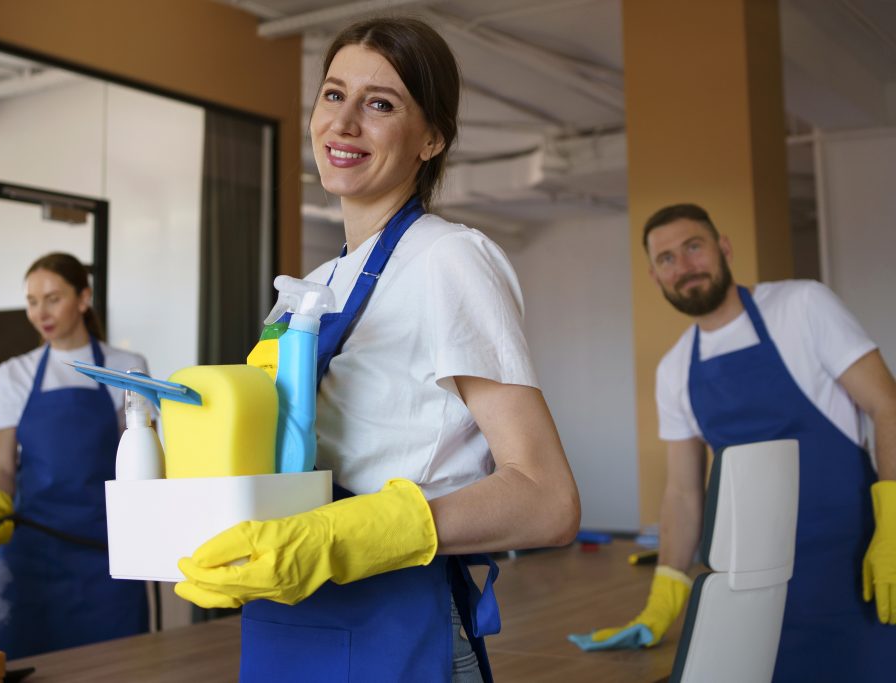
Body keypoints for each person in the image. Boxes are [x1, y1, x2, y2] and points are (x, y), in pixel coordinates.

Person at [172, 17, 581, 682]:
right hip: (291, 619)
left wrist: (346, 536)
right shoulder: (312, 288)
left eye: (380, 104)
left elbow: (548, 498)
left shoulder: (449, 258)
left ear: (432, 137)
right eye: (333, 95)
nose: (344, 122)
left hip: (396, 620)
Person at [574, 203, 896, 681]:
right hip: (753, 591)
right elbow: (683, 494)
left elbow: (887, 405)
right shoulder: (675, 369)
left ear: (723, 248)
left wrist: (893, 528)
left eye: (693, 247)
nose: (683, 267)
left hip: (859, 569)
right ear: (654, 275)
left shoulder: (801, 307)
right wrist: (663, 600)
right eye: (667, 259)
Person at [0, 252, 149, 659]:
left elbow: (138, 461)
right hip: (30, 553)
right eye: (32, 301)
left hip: (107, 555)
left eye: (52, 298)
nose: (39, 313)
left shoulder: (127, 368)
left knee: (114, 666)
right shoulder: (14, 373)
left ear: (83, 299)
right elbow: (2, 464)